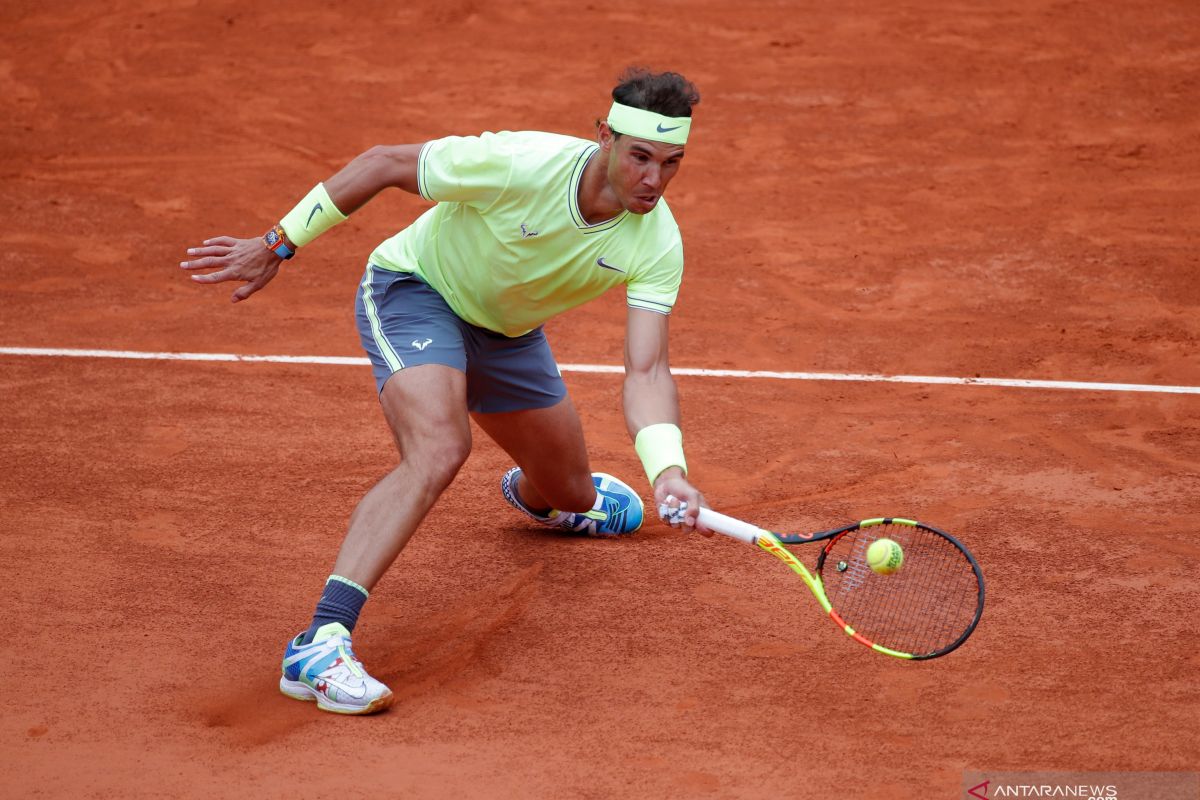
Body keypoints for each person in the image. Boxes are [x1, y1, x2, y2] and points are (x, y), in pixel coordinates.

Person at [180, 67, 709, 715]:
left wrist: (669, 469)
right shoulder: (521, 163)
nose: (654, 181)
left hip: (508, 335)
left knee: (571, 494)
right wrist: (277, 243)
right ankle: (319, 642)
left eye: (671, 163)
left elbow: (647, 369)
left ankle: (542, 492)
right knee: (438, 448)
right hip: (417, 292)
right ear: (604, 136)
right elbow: (382, 163)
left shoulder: (657, 241)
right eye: (640, 157)